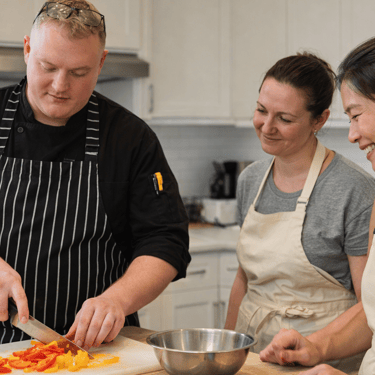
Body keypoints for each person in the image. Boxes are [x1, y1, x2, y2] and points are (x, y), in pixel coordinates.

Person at [0, 0, 190, 350]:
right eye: (48, 66)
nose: (60, 85)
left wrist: (117, 300)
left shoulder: (129, 138)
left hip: (95, 349)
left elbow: (166, 241)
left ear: (101, 63)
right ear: (27, 50)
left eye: (78, 72)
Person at [224, 52, 375, 370]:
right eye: (261, 110)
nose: (267, 126)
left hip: (324, 363)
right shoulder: (250, 179)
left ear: (319, 120)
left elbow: (370, 307)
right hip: (255, 357)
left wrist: (318, 349)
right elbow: (244, 277)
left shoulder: (353, 190)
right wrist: (225, 348)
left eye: (285, 119)